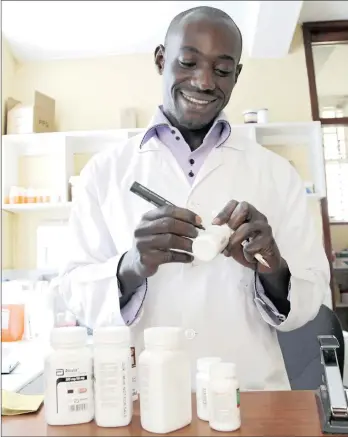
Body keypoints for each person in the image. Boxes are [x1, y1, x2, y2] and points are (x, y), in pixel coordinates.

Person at [58, 6, 329, 390]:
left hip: (249, 396)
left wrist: (272, 267)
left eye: (221, 70)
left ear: (236, 76)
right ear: (160, 59)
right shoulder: (104, 173)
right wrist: (132, 266)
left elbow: (311, 295)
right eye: (188, 62)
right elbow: (73, 290)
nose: (203, 82)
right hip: (141, 397)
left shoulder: (277, 174)